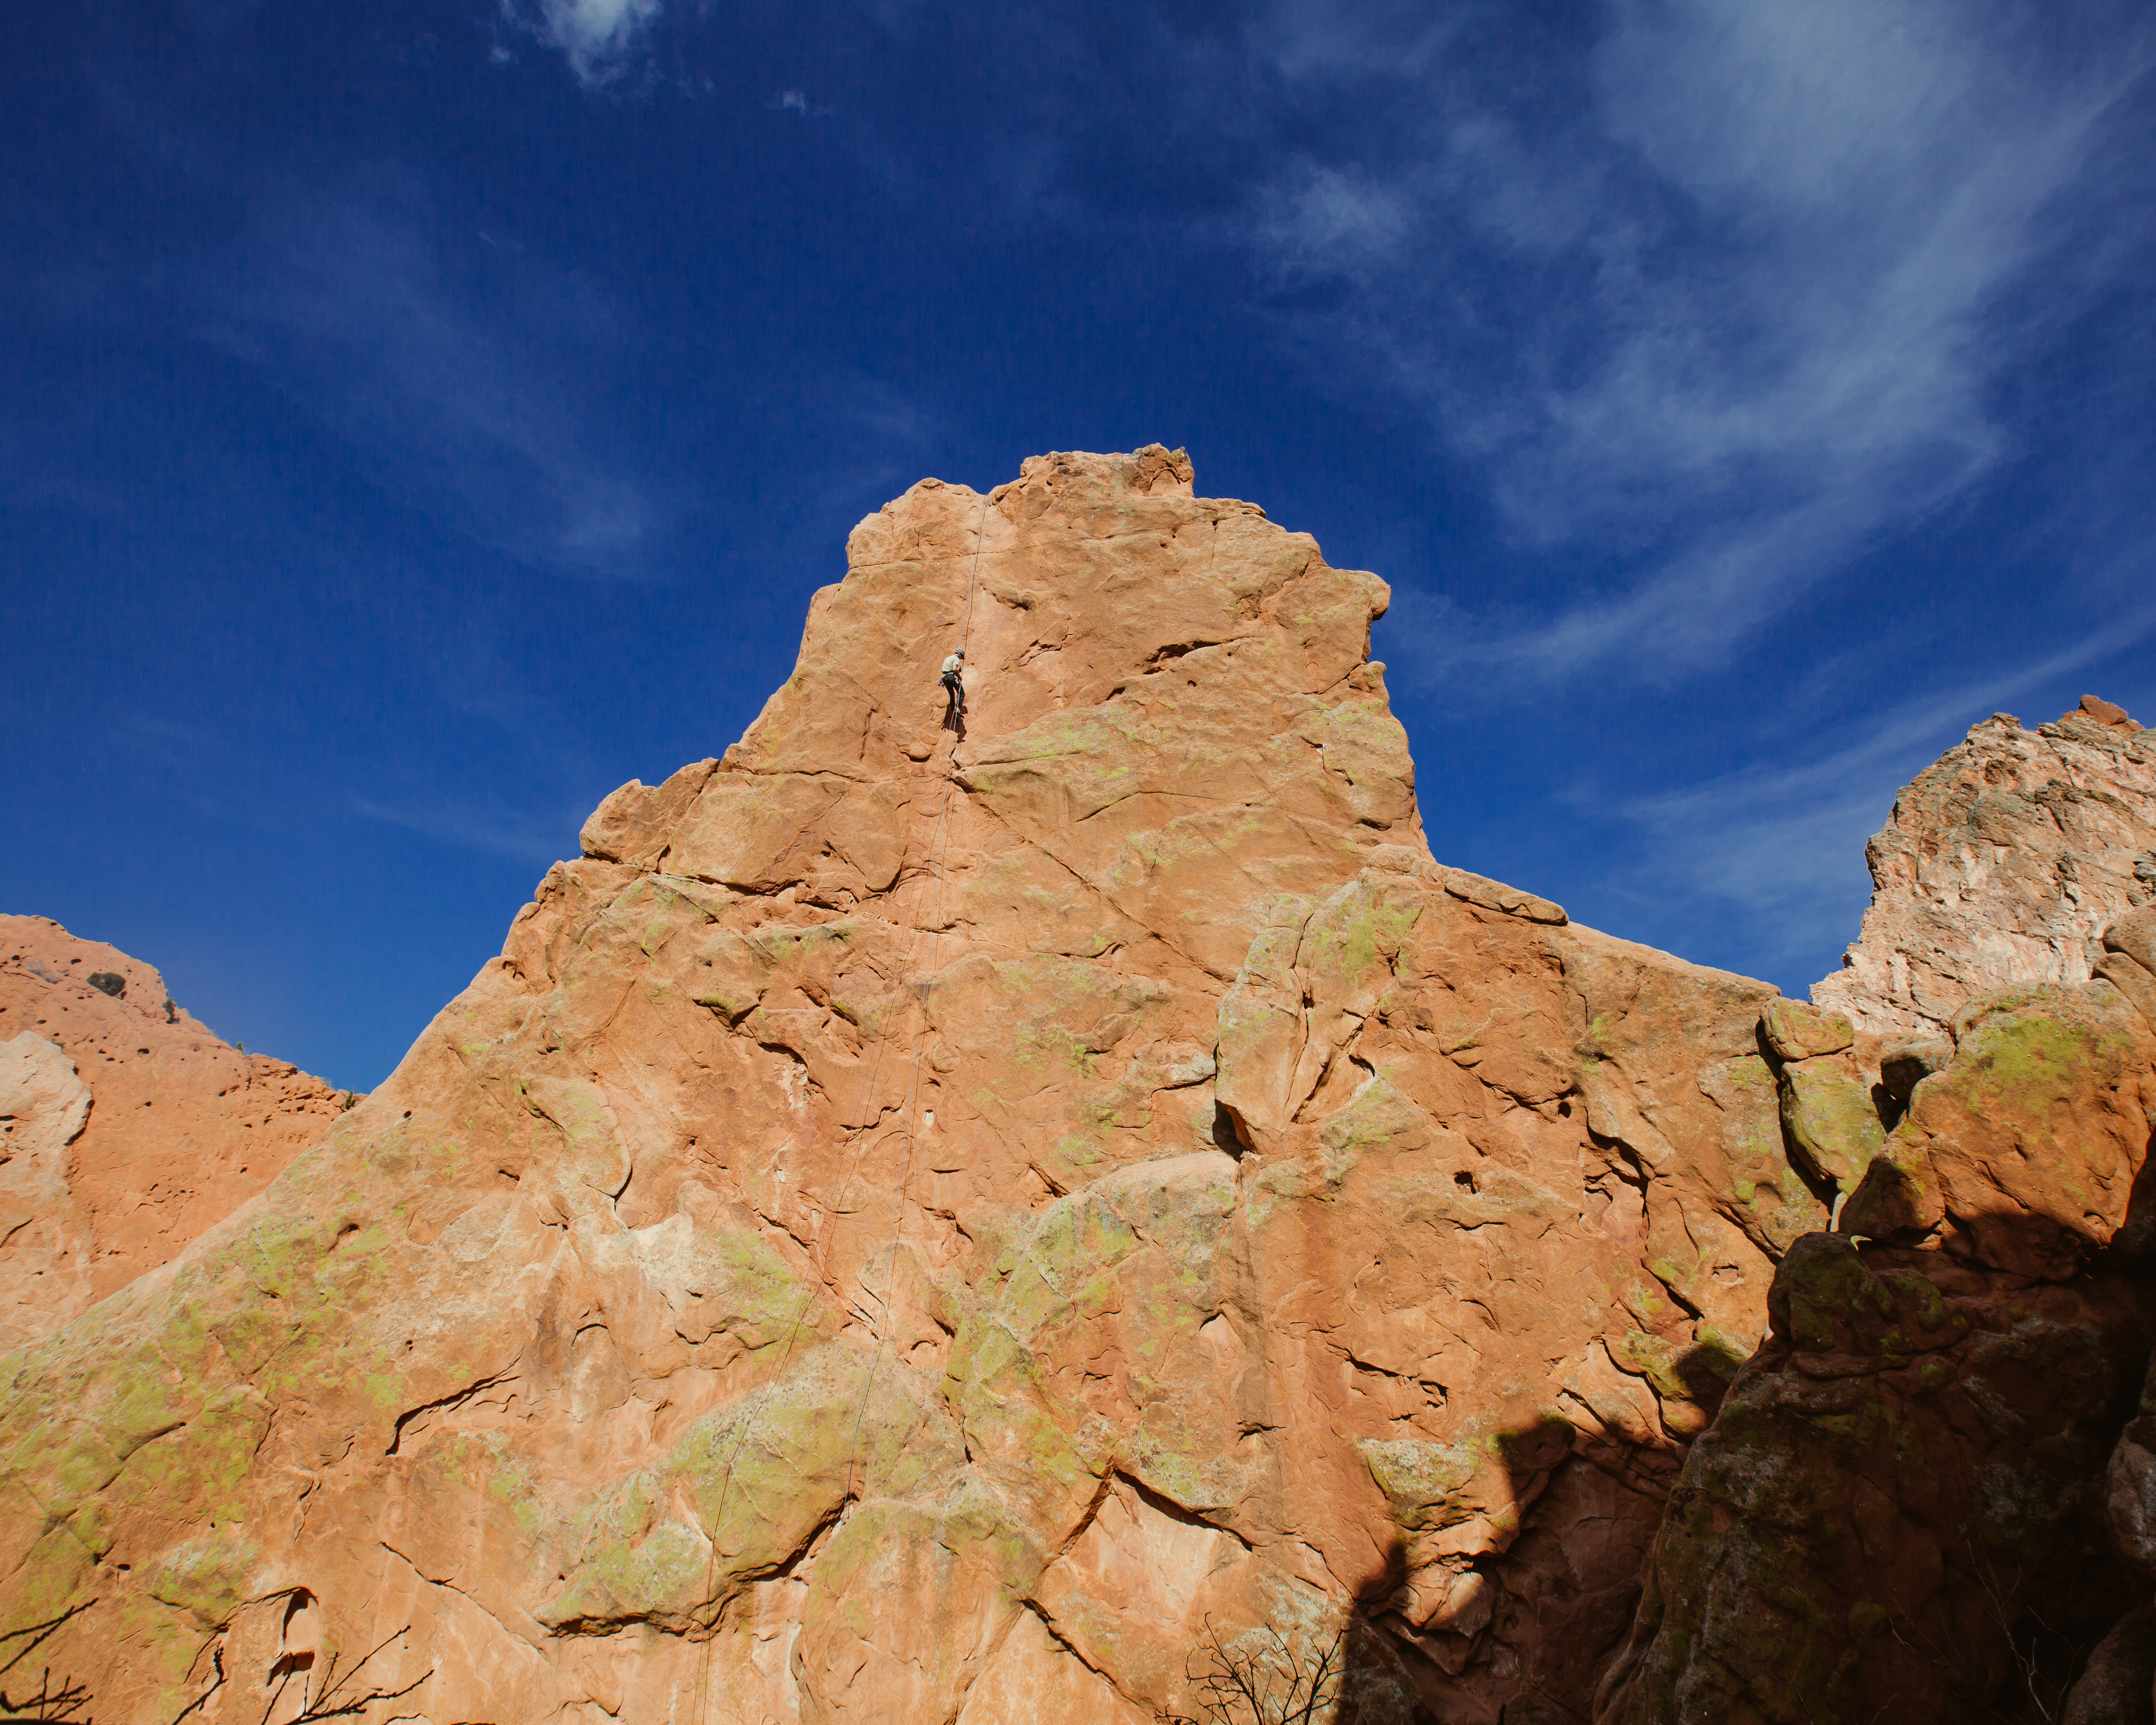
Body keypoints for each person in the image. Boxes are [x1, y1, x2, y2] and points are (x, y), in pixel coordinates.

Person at [940, 649, 966, 729]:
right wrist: (960, 677)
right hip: (951, 677)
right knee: (961, 693)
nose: (961, 658)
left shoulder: (947, 659)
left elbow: (947, 669)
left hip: (945, 678)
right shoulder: (956, 658)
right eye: (961, 656)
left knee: (952, 695)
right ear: (959, 654)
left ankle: (953, 711)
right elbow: (954, 669)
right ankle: (957, 709)